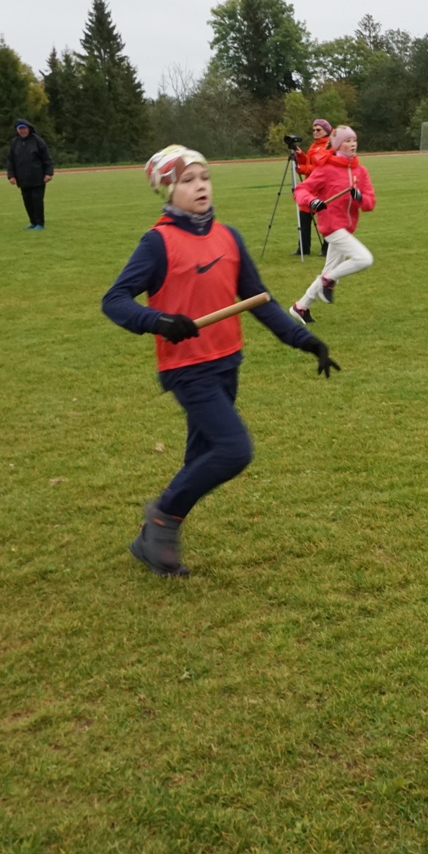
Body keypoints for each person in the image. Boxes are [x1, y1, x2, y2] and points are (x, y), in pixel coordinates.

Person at [101, 146, 339, 577]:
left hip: (227, 364)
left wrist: (306, 341)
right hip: (187, 370)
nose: (201, 187)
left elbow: (260, 301)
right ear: (168, 191)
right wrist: (160, 321)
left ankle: (151, 539)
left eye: (204, 178)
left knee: (201, 456)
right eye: (188, 180)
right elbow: (114, 300)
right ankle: (161, 520)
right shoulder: (157, 243)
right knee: (232, 449)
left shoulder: (229, 238)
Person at [291, 125, 376, 321]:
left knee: (327, 270)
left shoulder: (361, 171)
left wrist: (360, 198)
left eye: (354, 140)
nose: (352, 144)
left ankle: (300, 307)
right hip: (331, 227)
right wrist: (312, 201)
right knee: (364, 259)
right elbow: (301, 190)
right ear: (338, 145)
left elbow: (370, 204)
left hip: (347, 228)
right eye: (347, 141)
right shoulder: (326, 169)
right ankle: (329, 280)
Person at [292, 119, 334, 257]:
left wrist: (301, 169)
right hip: (310, 187)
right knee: (304, 217)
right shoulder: (314, 145)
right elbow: (309, 162)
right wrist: (300, 155)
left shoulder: (330, 145)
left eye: (318, 130)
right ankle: (303, 249)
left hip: (324, 188)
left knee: (326, 219)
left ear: (326, 130)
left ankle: (327, 249)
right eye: (314, 130)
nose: (315, 132)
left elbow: (319, 168)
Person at [5, 119, 54, 230]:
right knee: (27, 201)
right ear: (17, 130)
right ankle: (33, 222)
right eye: (20, 129)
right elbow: (10, 160)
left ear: (28, 129)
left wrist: (48, 173)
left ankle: (40, 223)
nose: (22, 131)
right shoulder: (14, 142)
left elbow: (47, 158)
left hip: (38, 178)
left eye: (24, 128)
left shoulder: (37, 141)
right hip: (22, 178)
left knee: (37, 200)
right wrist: (11, 175)